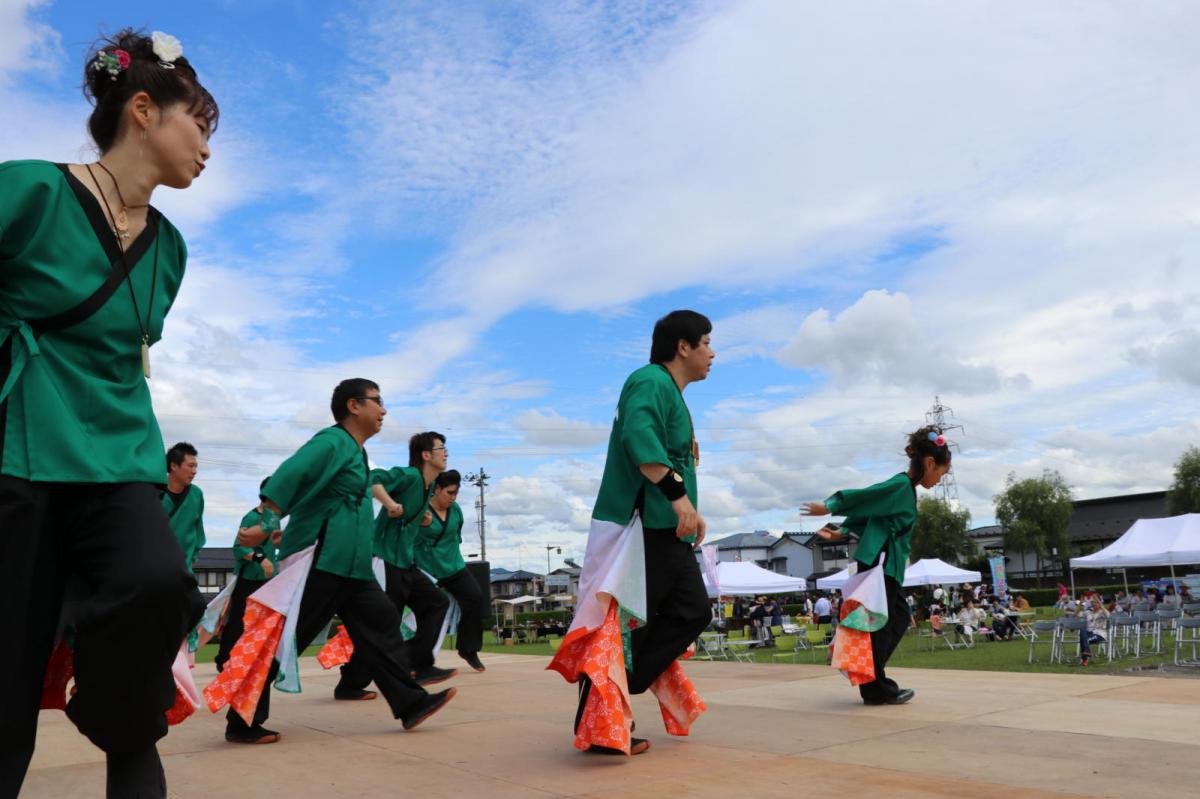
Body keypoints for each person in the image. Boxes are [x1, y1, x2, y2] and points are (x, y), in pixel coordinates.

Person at [0, 28, 214, 798]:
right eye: (201, 123)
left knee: (159, 582)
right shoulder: (27, 189)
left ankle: (118, 711)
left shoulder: (171, 249)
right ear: (145, 110)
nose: (207, 147)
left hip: (119, 457)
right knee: (7, 680)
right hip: (18, 450)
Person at [217, 379, 454, 744]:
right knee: (286, 642)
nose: (384, 410)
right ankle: (242, 721)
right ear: (353, 406)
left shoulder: (356, 451)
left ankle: (410, 703)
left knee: (383, 623)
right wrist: (266, 520)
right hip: (323, 563)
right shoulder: (332, 443)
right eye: (378, 401)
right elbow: (293, 474)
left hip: (354, 568)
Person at [548, 309, 714, 757]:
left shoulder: (670, 393)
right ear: (683, 346)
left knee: (689, 612)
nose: (711, 353)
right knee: (623, 626)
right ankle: (601, 715)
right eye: (706, 342)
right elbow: (640, 441)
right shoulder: (650, 381)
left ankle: (617, 689)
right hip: (641, 529)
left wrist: (688, 510)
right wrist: (680, 498)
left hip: (664, 531)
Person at [803, 425, 952, 706]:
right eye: (941, 473)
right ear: (930, 462)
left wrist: (843, 532)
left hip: (882, 561)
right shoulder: (900, 486)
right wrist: (830, 505)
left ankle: (870, 679)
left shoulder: (904, 489)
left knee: (891, 619)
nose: (939, 480)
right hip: (883, 562)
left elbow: (876, 516)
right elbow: (868, 496)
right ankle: (874, 684)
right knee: (885, 623)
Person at [336, 431, 456, 694]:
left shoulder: (426, 487)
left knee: (437, 602)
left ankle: (418, 664)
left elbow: (412, 514)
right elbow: (372, 480)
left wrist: (422, 517)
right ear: (426, 455)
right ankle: (352, 683)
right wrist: (390, 503)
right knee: (382, 628)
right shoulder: (410, 475)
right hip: (383, 560)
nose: (445, 452)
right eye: (441, 448)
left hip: (404, 563)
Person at [414, 470, 487, 672]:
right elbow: (409, 538)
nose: (453, 497)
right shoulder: (421, 509)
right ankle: (420, 660)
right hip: (426, 570)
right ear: (437, 489)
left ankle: (468, 649)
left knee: (475, 597)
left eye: (456, 493)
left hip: (454, 566)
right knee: (429, 612)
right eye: (450, 492)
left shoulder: (456, 511)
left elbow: (456, 536)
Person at [213, 480, 278, 674]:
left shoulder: (272, 520)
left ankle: (255, 658)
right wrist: (261, 559)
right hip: (248, 578)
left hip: (267, 580)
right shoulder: (251, 517)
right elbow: (238, 548)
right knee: (237, 621)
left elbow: (273, 542)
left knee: (264, 621)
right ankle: (223, 659)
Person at [162, 442, 205, 572]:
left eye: (196, 466)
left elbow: (198, 531)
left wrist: (193, 559)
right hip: (154, 569)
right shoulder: (154, 492)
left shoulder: (196, 494)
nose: (194, 471)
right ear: (174, 466)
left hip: (185, 570)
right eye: (190, 466)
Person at [1077, 595, 1109, 666]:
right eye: (1092, 602)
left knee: (1084, 639)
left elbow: (1107, 615)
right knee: (1082, 630)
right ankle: (1086, 652)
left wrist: (1100, 603)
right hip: (1089, 633)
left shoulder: (1102, 612)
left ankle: (1084, 660)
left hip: (1099, 634)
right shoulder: (1088, 611)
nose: (1093, 604)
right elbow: (1076, 614)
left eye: (1095, 602)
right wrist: (1080, 603)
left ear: (1099, 603)